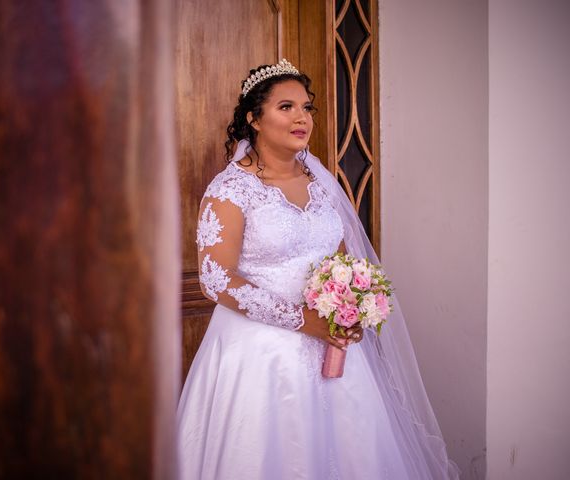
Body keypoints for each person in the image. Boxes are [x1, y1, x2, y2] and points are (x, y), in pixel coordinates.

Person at [177, 59, 459, 480]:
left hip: (333, 347)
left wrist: (353, 304)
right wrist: (302, 320)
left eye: (307, 108)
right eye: (286, 107)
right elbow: (217, 280)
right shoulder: (231, 189)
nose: (302, 118)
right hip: (260, 355)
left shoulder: (321, 183)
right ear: (254, 118)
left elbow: (342, 259)